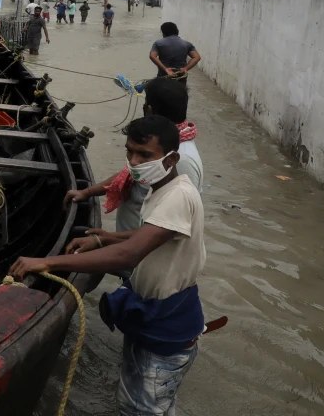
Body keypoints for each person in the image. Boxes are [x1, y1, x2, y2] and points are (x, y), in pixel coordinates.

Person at [11, 115, 206, 416]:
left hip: (167, 327)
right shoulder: (160, 187)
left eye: (144, 155)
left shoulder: (179, 195)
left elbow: (128, 255)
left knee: (142, 410)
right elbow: (151, 233)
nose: (133, 161)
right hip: (152, 317)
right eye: (129, 152)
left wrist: (47, 261)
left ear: (172, 159)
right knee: (142, 405)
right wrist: (104, 238)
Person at [64, 77, 204, 242]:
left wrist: (107, 240)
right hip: (126, 244)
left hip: (141, 253)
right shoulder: (155, 146)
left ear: (149, 109)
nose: (134, 161)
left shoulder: (181, 160)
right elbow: (131, 173)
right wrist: (87, 192)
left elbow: (164, 231)